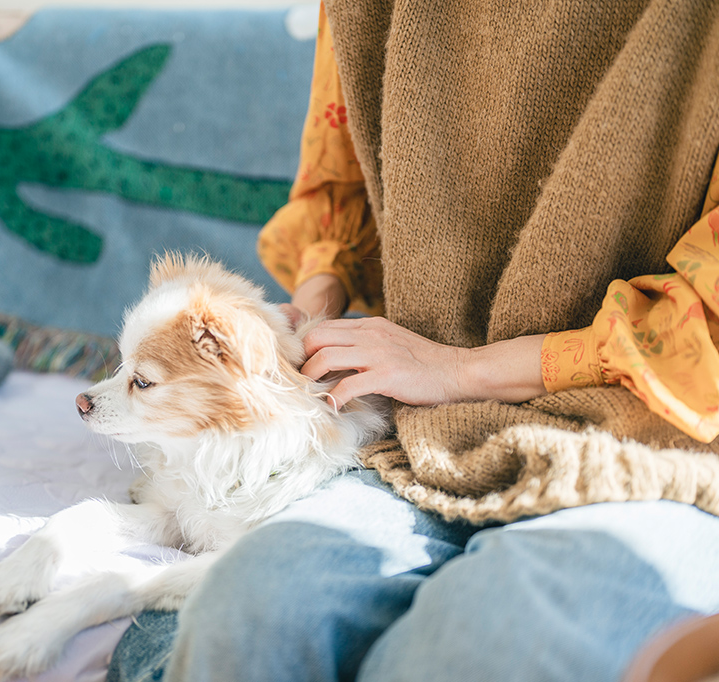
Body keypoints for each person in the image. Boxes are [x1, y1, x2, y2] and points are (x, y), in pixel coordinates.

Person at [108, 2, 719, 681]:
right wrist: (305, 311)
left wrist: (459, 369)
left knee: (468, 644)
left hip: (661, 447)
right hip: (419, 436)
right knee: (246, 612)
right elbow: (341, 185)